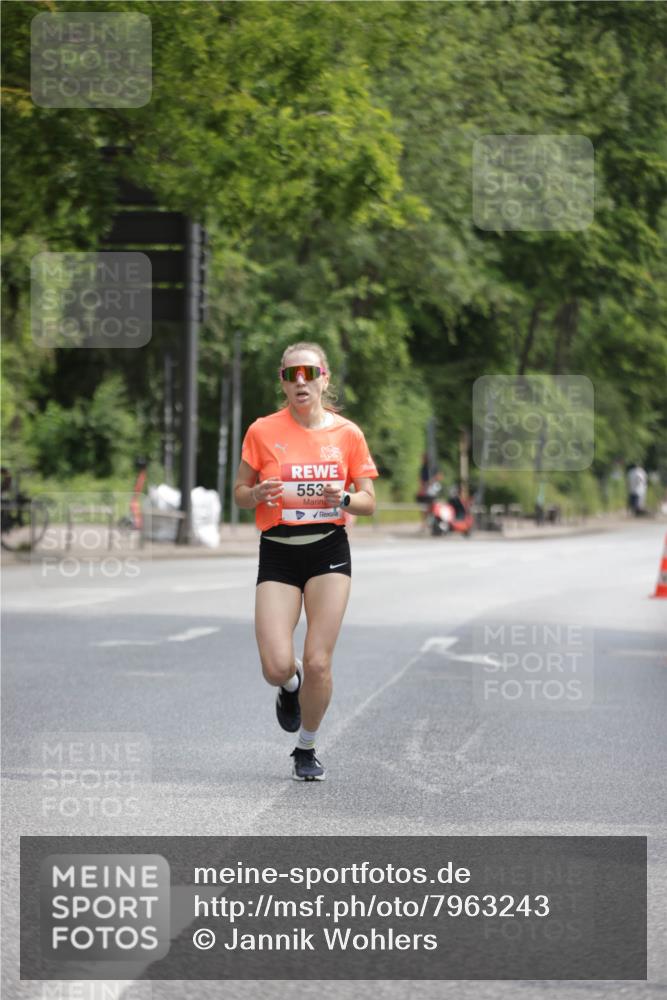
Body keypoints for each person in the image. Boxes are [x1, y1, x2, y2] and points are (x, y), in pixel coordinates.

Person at [233, 342, 378, 781]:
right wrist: (255, 494)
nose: (300, 382)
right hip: (278, 549)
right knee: (277, 666)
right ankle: (289, 687)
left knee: (318, 660)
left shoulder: (347, 434)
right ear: (282, 380)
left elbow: (370, 501)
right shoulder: (261, 430)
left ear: (324, 378)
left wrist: (347, 498)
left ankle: (306, 747)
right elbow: (239, 492)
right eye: (291, 374)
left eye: (309, 373)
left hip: (328, 549)